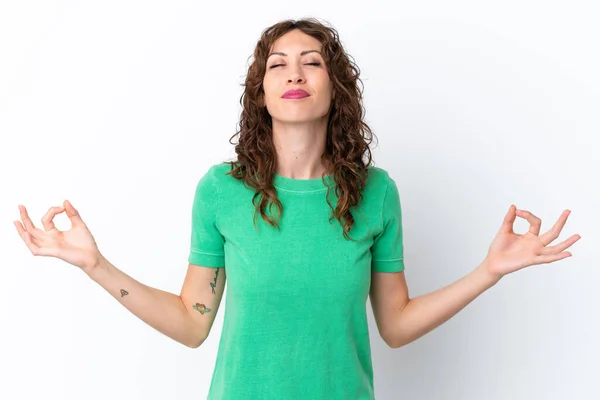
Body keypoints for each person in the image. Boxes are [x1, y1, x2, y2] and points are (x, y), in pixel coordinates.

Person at [14, 18, 580, 400]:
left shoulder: (377, 194)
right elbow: (192, 324)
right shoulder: (221, 191)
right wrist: (96, 265)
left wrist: (489, 272)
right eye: (277, 64)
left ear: (337, 89)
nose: (293, 73)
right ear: (260, 92)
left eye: (311, 62)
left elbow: (396, 325)